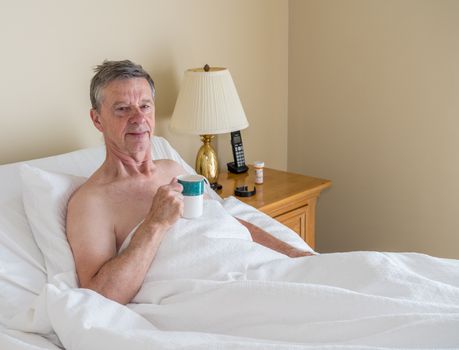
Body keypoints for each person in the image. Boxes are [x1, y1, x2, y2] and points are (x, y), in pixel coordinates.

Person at [66, 60, 312, 305]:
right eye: (122, 109)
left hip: (257, 271)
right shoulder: (92, 202)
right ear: (97, 119)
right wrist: (155, 223)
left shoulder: (173, 170)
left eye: (145, 106)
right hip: (209, 296)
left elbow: (224, 221)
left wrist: (293, 254)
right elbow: (99, 297)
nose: (139, 118)